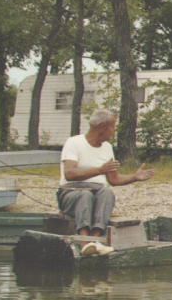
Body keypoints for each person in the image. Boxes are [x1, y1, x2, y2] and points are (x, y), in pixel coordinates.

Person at [57, 109, 155, 256]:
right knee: (85, 195)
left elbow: (113, 179)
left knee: (107, 192)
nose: (113, 131)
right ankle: (84, 242)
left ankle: (95, 241)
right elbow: (69, 174)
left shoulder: (108, 148)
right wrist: (99, 170)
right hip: (71, 193)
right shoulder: (74, 143)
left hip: (97, 194)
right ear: (103, 127)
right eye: (112, 126)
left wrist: (134, 177)